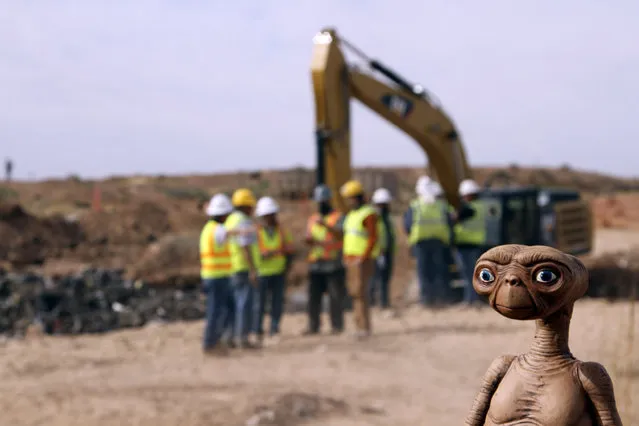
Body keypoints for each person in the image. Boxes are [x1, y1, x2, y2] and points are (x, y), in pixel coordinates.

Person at [340, 179, 383, 339]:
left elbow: (373, 238)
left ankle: (364, 328)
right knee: (354, 294)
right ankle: (359, 326)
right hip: (351, 260)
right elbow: (349, 238)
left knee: (360, 294)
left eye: (349, 198)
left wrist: (363, 257)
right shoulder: (352, 215)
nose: (348, 201)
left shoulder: (368, 214)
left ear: (357, 197)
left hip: (361, 261)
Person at [303, 184, 346, 335]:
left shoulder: (338, 217)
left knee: (335, 297)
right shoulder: (313, 219)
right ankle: (313, 326)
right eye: (318, 201)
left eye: (323, 201)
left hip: (333, 263)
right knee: (313, 298)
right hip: (316, 263)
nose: (320, 204)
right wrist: (308, 240)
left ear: (329, 201)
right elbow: (309, 236)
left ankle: (337, 326)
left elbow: (341, 235)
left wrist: (326, 226)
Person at [403, 178, 450, 308]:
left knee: (423, 272)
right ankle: (440, 298)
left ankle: (426, 300)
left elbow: (407, 225)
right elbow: (449, 222)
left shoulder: (415, 206)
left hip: (420, 243)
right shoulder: (441, 205)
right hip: (438, 242)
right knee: (437, 270)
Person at [253, 196, 294, 344]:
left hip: (278, 273)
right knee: (260, 304)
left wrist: (287, 269)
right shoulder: (256, 232)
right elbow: (253, 252)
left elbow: (290, 250)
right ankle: (257, 330)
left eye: (271, 215)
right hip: (262, 273)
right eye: (266, 215)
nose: (269, 218)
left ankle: (274, 329)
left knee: (277, 303)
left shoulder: (282, 231)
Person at [199, 193, 236, 355]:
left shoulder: (207, 229)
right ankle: (210, 343)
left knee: (225, 309)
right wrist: (248, 230)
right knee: (216, 311)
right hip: (217, 277)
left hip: (211, 276)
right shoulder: (218, 229)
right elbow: (230, 234)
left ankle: (217, 341)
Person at [224, 188, 259, 349]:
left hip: (231, 267)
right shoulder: (243, 221)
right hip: (243, 267)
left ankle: (229, 337)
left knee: (233, 304)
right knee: (244, 304)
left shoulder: (230, 220)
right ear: (245, 206)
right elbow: (245, 246)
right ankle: (242, 338)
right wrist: (252, 269)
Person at [452, 179, 488, 305]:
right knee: (473, 273)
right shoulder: (480, 206)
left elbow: (455, 218)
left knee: (468, 274)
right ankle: (474, 299)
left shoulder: (469, 208)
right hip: (475, 244)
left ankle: (470, 300)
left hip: (465, 245)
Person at [369, 187, 395, 310]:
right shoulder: (373, 217)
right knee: (376, 279)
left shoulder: (387, 218)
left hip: (387, 252)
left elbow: (390, 235)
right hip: (378, 253)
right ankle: (374, 302)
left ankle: (384, 302)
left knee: (385, 279)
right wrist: (379, 251)